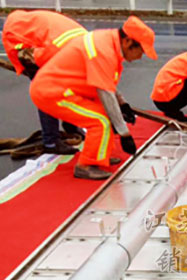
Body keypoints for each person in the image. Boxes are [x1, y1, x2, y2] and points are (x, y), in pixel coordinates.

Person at [30, 16, 157, 180]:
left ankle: (100, 156)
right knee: (99, 121)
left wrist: (122, 104)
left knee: (105, 116)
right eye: (141, 51)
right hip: (54, 92)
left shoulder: (108, 44)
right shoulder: (103, 50)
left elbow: (106, 82)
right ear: (127, 42)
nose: (140, 56)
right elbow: (105, 93)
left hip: (66, 89)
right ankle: (85, 166)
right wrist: (124, 134)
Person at [2, 10, 88, 155]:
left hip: (37, 32)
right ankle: (51, 141)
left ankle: (70, 125)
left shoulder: (88, 46)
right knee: (47, 91)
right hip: (20, 39)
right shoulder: (60, 51)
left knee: (70, 84)